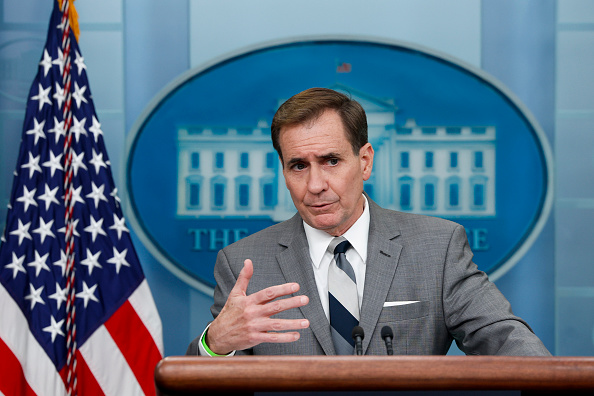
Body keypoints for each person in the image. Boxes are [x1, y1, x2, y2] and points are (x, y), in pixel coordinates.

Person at [186, 87, 550, 356]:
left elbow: (508, 342)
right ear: (283, 171)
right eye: (298, 166)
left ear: (365, 162)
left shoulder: (437, 248)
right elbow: (200, 386)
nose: (315, 185)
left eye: (331, 161)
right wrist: (215, 344)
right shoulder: (243, 262)